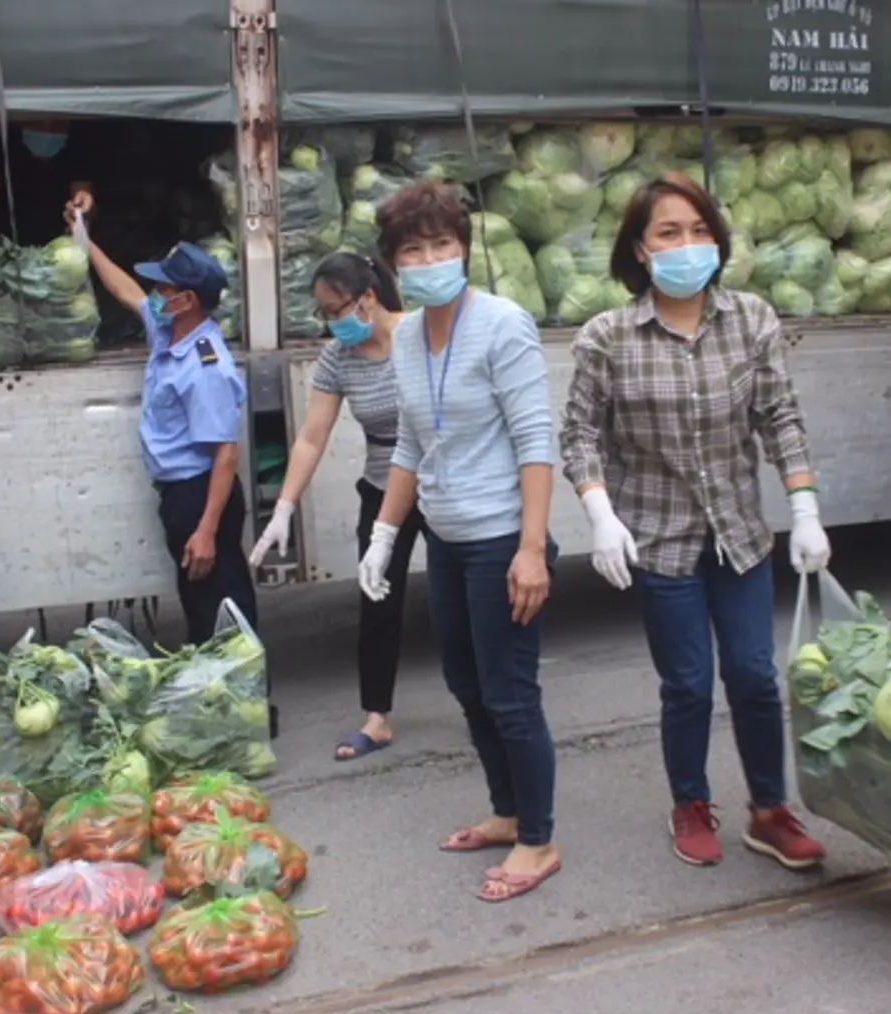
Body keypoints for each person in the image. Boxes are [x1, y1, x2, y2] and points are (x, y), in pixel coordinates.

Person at [560, 176, 832, 873]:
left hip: (738, 532)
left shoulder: (750, 319)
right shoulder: (608, 337)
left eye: (698, 231)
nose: (687, 245)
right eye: (668, 233)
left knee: (752, 674)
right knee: (686, 681)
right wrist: (599, 515)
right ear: (641, 252)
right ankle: (689, 801)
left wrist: (803, 509)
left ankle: (769, 810)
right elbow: (579, 436)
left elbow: (779, 416)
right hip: (659, 538)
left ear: (717, 241)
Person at [357, 181, 561, 903]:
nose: (430, 258)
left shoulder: (503, 325)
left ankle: (538, 840)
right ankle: (507, 814)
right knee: (466, 687)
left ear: (464, 250)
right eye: (413, 249)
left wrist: (531, 549)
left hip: (501, 537)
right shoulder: (408, 334)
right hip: (443, 537)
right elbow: (411, 439)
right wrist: (385, 535)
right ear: (393, 266)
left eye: (442, 245)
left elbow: (537, 440)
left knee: (510, 694)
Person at [248, 253, 425, 761]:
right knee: (377, 602)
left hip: (439, 483)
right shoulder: (337, 358)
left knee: (469, 594)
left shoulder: (420, 335)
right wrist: (284, 507)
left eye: (336, 309)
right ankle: (378, 718)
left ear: (368, 298)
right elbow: (311, 437)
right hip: (380, 486)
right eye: (323, 313)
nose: (332, 322)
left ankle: (494, 700)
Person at [85, 237, 260, 654]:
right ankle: (212, 702)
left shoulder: (205, 366)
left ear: (188, 300)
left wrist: (206, 530)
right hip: (182, 496)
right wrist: (86, 241)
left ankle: (248, 703)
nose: (154, 295)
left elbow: (226, 454)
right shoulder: (171, 333)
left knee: (224, 615)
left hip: (200, 495)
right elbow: (127, 291)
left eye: (163, 289)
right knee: (201, 610)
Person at [0, 119, 95, 243]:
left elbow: (81, 193)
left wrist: (82, 204)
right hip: (7, 251)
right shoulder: (1, 144)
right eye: (37, 120)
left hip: (62, 251)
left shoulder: (78, 147)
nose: (46, 127)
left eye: (56, 122)